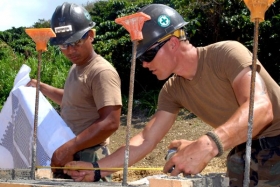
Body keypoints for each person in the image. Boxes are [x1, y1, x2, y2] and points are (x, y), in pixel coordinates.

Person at [63, 4, 280, 186]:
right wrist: (97, 169)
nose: (145, 64)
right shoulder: (172, 90)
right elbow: (145, 140)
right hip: (247, 145)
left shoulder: (226, 54)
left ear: (173, 43)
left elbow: (261, 107)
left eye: (148, 54)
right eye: (140, 59)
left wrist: (207, 144)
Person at [26, 2, 122, 180]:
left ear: (90, 35)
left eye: (76, 42)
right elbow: (72, 101)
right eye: (63, 45)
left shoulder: (101, 72)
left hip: (88, 157)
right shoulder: (77, 67)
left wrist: (70, 147)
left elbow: (110, 121)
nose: (70, 50)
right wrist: (42, 87)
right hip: (73, 153)